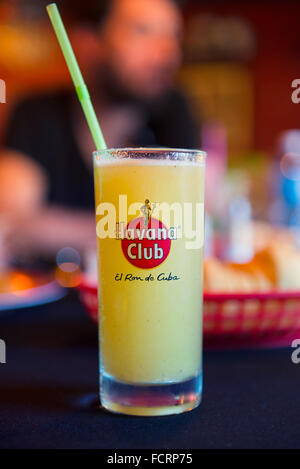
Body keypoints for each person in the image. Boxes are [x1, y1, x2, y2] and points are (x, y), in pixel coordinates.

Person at [2, 0, 199, 261]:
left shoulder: (174, 112)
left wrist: (58, 228)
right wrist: (135, 231)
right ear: (88, 43)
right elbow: (11, 221)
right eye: (143, 31)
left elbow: (193, 224)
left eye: (172, 35)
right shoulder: (36, 114)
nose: (167, 53)